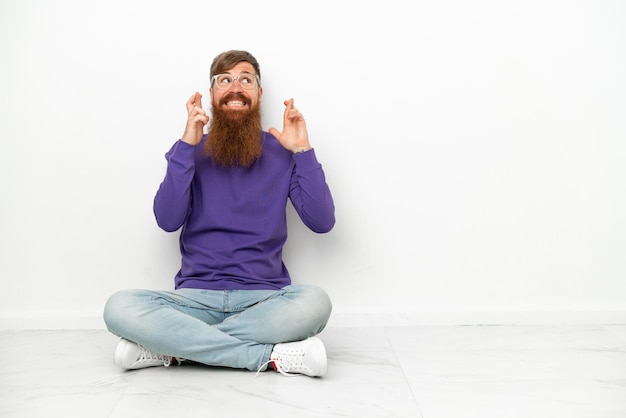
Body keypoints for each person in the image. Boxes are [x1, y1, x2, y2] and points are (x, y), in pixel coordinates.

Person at [103, 50, 335, 377]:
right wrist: (186, 145)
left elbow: (322, 222)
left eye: (246, 79)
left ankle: (172, 350)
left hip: (264, 301)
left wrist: (303, 151)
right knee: (119, 307)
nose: (235, 87)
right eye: (224, 80)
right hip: (194, 301)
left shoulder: (283, 153)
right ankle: (268, 357)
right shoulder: (190, 150)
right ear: (211, 95)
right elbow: (167, 220)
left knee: (315, 302)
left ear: (259, 93)